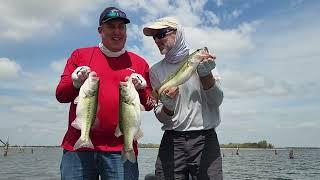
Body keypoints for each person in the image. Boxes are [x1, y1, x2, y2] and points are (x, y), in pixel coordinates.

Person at [56, 6, 153, 180]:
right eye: (111, 26)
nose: (117, 31)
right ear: (101, 30)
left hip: (121, 149)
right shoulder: (80, 55)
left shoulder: (140, 63)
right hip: (78, 149)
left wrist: (142, 89)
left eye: (121, 27)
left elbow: (149, 104)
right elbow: (61, 95)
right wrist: (75, 82)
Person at [143, 17, 224, 179]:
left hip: (205, 139)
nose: (157, 40)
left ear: (178, 32)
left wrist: (206, 76)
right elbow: (161, 118)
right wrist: (168, 106)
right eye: (154, 37)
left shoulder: (202, 60)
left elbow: (217, 101)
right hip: (172, 141)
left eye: (161, 35)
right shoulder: (155, 71)